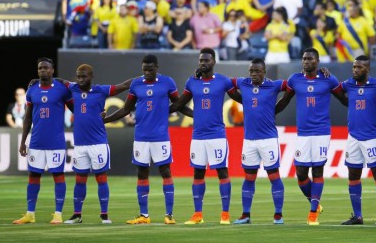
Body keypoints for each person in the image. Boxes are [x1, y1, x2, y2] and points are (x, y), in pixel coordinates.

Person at [103, 55, 191, 225]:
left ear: (157, 67)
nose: (147, 73)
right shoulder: (136, 84)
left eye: (150, 69)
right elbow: (126, 109)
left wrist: (196, 115)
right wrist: (105, 120)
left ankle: (169, 215)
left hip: (160, 137)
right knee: (142, 173)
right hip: (141, 137)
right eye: (144, 70)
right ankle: (144, 215)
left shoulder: (167, 82)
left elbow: (179, 104)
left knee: (166, 172)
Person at [169, 48, 242, 225]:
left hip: (217, 135)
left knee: (222, 172)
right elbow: (179, 104)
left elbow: (241, 98)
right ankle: (197, 214)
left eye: (206, 60)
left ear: (214, 62)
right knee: (198, 174)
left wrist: (258, 102)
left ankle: (225, 213)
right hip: (198, 136)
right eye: (201, 60)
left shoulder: (223, 81)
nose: (203, 63)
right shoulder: (192, 82)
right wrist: (194, 114)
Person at [275, 48, 346, 225]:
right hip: (303, 133)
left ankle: (313, 212)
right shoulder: (294, 79)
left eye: (310, 59)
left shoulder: (328, 79)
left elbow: (344, 98)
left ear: (318, 61)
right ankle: (315, 202)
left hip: (321, 131)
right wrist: (270, 113)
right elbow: (284, 101)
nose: (306, 61)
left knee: (317, 171)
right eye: (304, 59)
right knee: (300, 174)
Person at [58, 65, 132, 224]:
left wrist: (143, 80)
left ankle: (104, 215)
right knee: (80, 179)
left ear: (91, 77)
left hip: (98, 143)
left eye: (83, 77)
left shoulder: (102, 90)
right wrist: (37, 80)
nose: (80, 79)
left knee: (101, 178)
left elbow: (124, 86)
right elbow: (60, 81)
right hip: (80, 144)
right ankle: (77, 215)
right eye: (78, 76)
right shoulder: (73, 88)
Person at [13, 58, 74, 225]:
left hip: (56, 142)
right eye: (40, 68)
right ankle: (30, 214)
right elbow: (27, 118)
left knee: (58, 175)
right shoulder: (32, 90)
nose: (42, 71)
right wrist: (23, 141)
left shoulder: (62, 89)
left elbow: (75, 109)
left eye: (46, 68)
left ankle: (58, 214)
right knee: (33, 175)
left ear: (52, 70)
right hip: (37, 142)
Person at [231, 58, 287, 224]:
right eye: (251, 71)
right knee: (249, 177)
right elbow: (224, 83)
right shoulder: (243, 83)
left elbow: (292, 84)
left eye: (257, 71)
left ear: (264, 72)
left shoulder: (274, 85)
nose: (254, 74)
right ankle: (245, 214)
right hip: (249, 140)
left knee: (274, 176)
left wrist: (321, 73)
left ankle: (278, 215)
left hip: (268, 139)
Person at [338, 56, 376, 226]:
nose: (355, 70)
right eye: (354, 67)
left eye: (359, 67)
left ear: (368, 69)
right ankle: (357, 216)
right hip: (353, 137)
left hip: (372, 137)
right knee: (353, 175)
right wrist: (325, 74)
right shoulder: (349, 84)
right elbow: (335, 89)